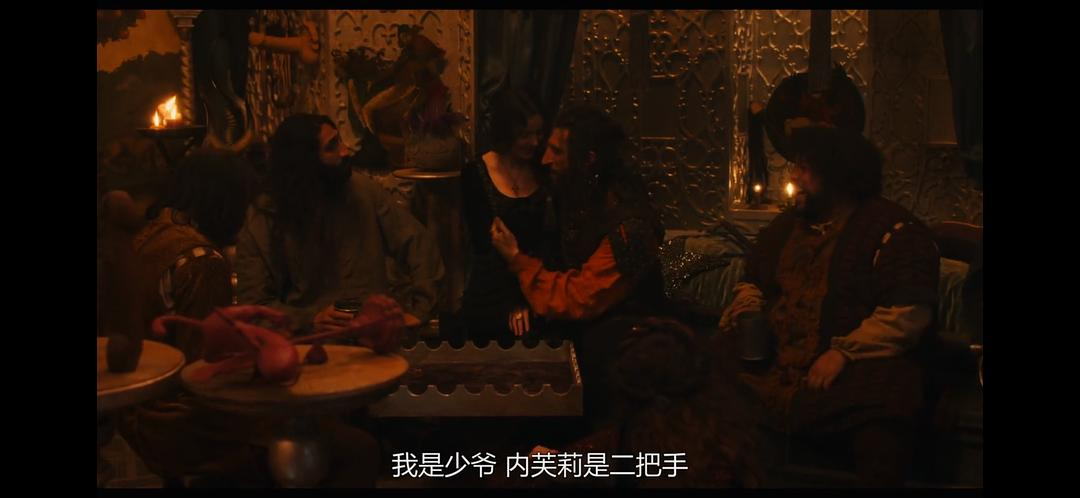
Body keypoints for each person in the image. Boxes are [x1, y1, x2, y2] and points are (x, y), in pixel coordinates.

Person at [723, 125, 940, 487]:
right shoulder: (784, 227)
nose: (794, 177)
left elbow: (908, 312)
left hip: (845, 372)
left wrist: (844, 352)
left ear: (837, 174)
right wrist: (748, 313)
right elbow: (753, 282)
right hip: (773, 364)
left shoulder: (894, 230)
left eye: (805, 168)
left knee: (890, 397)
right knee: (705, 372)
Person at [489, 104, 666, 432]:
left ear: (588, 159)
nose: (545, 160)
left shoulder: (630, 225)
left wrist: (516, 258)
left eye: (557, 152)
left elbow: (581, 297)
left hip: (623, 337)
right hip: (581, 326)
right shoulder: (574, 196)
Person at [235, 113, 444, 336]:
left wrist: (419, 310)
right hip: (306, 348)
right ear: (305, 160)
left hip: (370, 343)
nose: (345, 151)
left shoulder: (362, 191)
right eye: (332, 146)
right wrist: (309, 320)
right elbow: (254, 308)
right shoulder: (264, 218)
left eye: (340, 140)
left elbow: (418, 244)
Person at [458, 89, 556, 343]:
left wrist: (528, 296)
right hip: (492, 290)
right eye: (525, 135)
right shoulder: (475, 174)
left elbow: (550, 242)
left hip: (540, 284)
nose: (534, 142)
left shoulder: (544, 170)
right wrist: (512, 301)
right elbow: (483, 246)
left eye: (538, 133)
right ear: (506, 133)